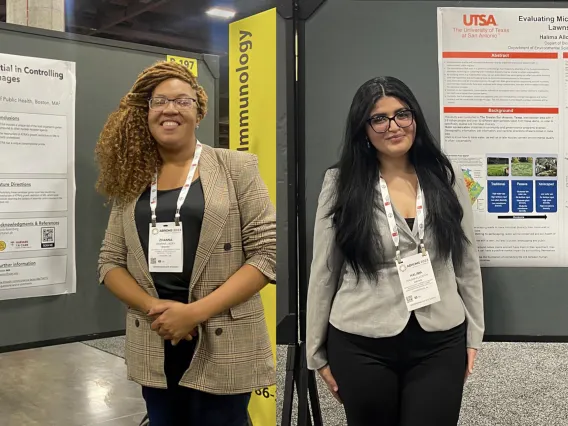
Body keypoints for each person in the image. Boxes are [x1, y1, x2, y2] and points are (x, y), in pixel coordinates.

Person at [95, 61, 276, 426]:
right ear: (146, 112)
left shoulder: (236, 167)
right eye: (159, 101)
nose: (170, 110)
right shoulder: (133, 178)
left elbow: (266, 253)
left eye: (182, 100)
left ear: (199, 110)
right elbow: (110, 261)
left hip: (222, 331)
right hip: (155, 332)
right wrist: (156, 309)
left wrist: (193, 313)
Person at [305, 76, 484, 426]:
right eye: (379, 118)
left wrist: (474, 334)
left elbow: (466, 262)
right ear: (363, 128)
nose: (394, 126)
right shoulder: (340, 183)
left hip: (438, 339)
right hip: (361, 339)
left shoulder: (446, 178)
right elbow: (325, 270)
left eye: (402, 114)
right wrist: (316, 351)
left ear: (415, 117)